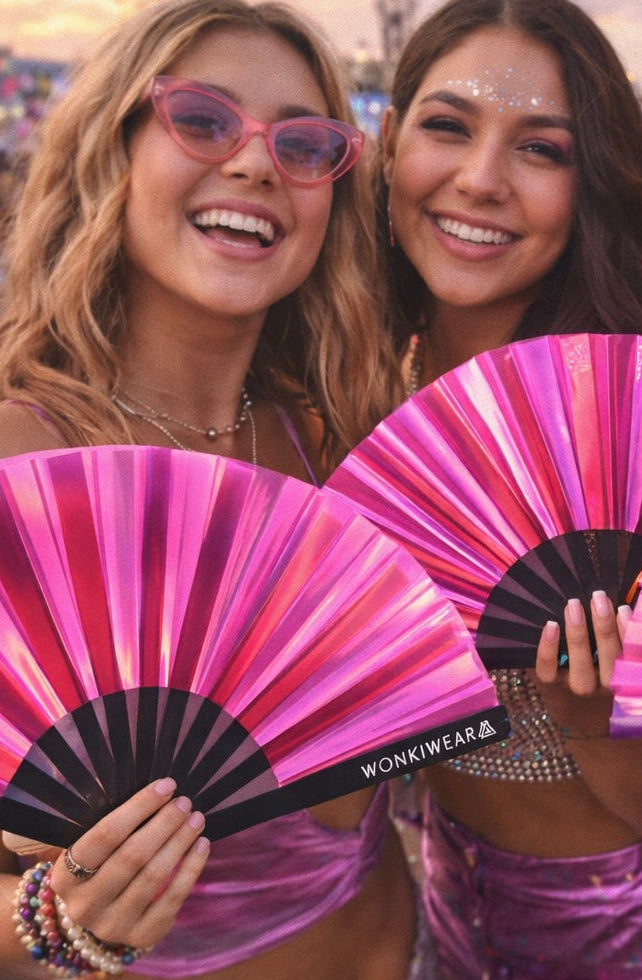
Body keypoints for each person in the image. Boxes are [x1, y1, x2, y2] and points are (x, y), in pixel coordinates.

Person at [0, 0, 424, 977]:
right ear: (112, 152)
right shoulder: (21, 470)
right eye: (201, 119)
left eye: (304, 143)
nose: (256, 164)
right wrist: (60, 920)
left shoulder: (338, 447)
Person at [377, 0, 642, 976]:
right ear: (389, 143)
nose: (480, 179)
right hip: (446, 917)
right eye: (447, 126)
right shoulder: (350, 394)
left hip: (640, 939)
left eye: (541, 149)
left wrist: (585, 705)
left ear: (589, 187)